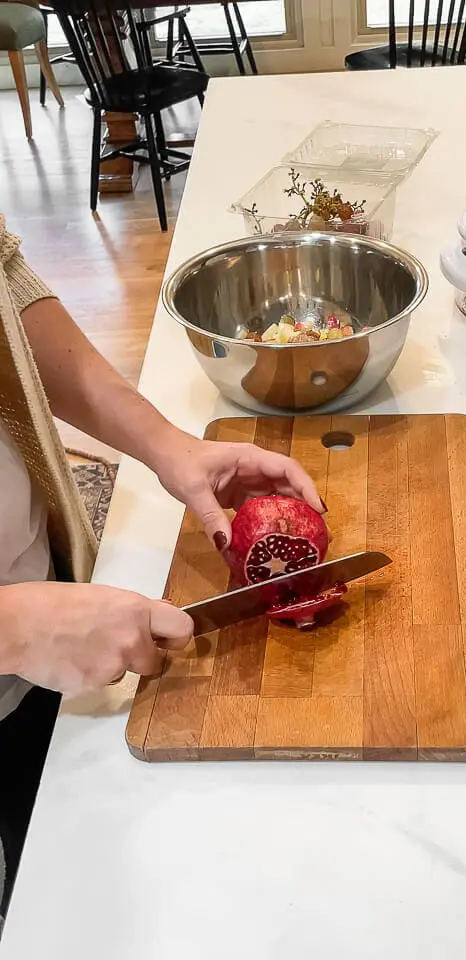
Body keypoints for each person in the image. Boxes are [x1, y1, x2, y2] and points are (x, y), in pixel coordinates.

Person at [0, 213, 323, 922]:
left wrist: (166, 443)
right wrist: (12, 627)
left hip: (44, 633)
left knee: (51, 875)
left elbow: (8, 297)